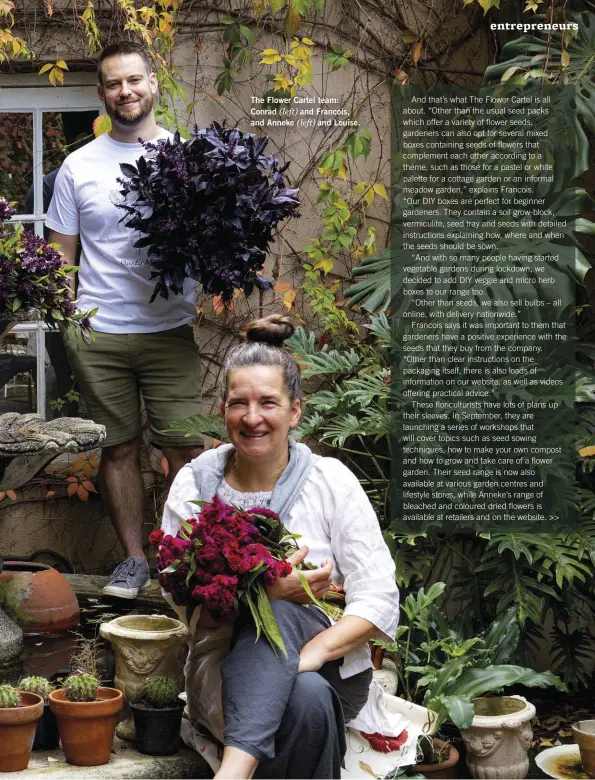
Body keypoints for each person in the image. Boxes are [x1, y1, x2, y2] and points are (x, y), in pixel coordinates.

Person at [161, 314, 400, 779]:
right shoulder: (195, 484)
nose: (252, 418)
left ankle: (232, 772)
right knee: (306, 701)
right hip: (225, 666)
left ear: (295, 411)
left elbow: (379, 598)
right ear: (223, 408)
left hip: (328, 662)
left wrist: (305, 655)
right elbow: (184, 603)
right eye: (239, 403)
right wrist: (266, 594)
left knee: (299, 648)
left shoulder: (330, 481)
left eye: (268, 402)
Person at [46, 41, 203, 599]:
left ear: (153, 83)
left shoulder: (186, 158)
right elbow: (60, 255)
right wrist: (71, 321)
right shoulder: (78, 166)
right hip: (100, 332)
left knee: (184, 447)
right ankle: (134, 561)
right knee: (117, 449)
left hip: (169, 331)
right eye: (114, 83)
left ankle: (188, 558)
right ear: (101, 93)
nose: (125, 91)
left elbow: (218, 239)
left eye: (133, 80)